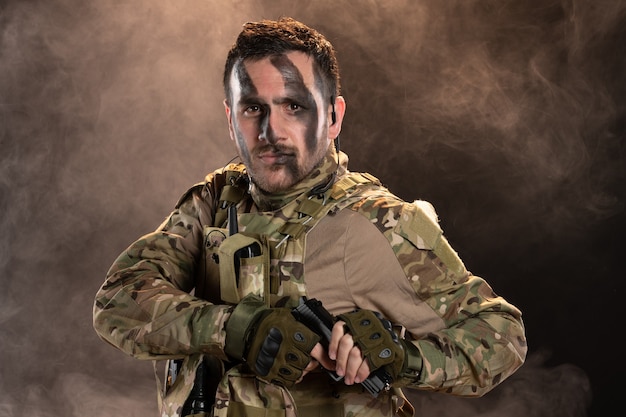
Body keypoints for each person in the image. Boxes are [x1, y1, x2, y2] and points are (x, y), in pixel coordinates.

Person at [93, 17, 527, 417]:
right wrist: (235, 328)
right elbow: (118, 301)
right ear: (230, 119)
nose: (271, 132)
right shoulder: (214, 202)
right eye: (252, 108)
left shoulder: (377, 221)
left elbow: (500, 335)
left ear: (334, 116)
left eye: (294, 107)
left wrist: (404, 357)